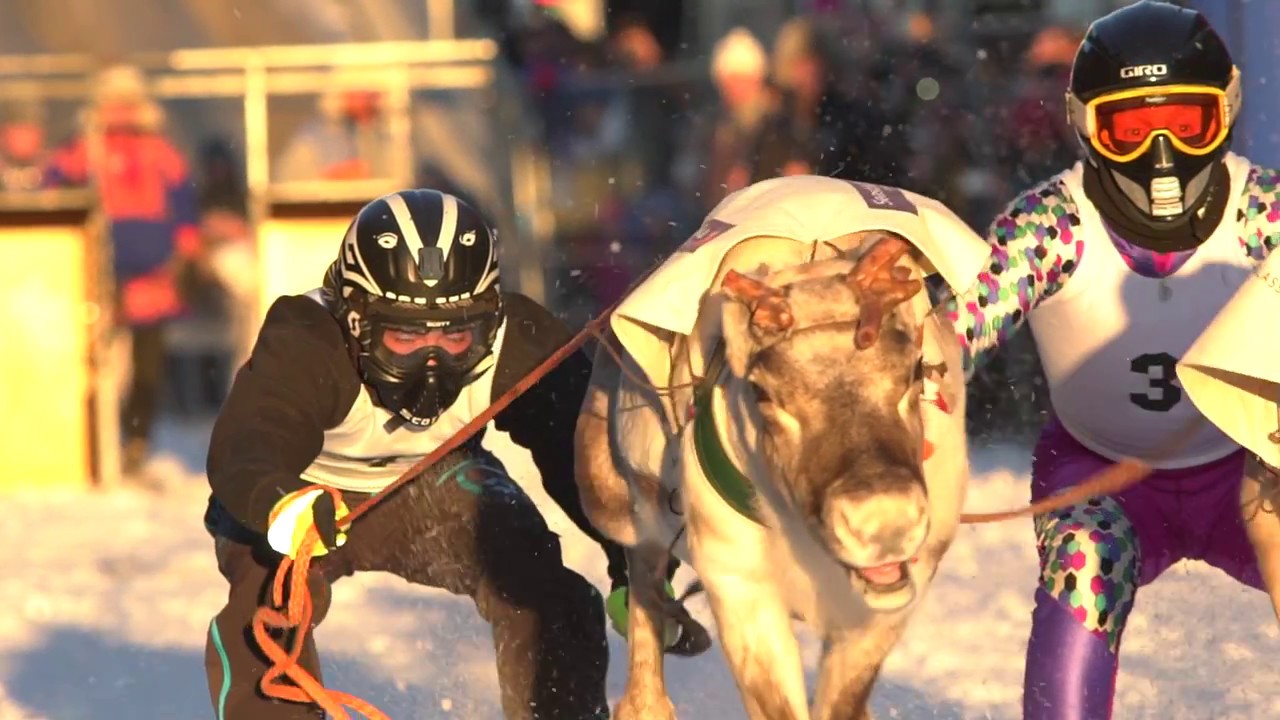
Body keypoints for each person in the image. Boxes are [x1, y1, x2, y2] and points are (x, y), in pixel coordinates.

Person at [922, 3, 1280, 718]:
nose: (1159, 152)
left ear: (1226, 113)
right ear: (1087, 126)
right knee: (1086, 563)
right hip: (1102, 474)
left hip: (1245, 466)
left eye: (1184, 123)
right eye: (1129, 128)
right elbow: (950, 335)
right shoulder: (1051, 224)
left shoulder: (1264, 211)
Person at [201, 189, 622, 719]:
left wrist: (627, 556)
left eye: (456, 337)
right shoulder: (307, 336)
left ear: (489, 319)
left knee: (543, 588)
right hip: (300, 494)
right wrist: (279, 503)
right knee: (263, 619)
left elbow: (582, 456)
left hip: (434, 479)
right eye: (404, 337)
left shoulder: (520, 340)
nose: (432, 361)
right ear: (355, 320)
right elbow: (249, 441)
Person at [47, 64, 201, 480]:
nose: (120, 113)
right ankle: (100, 443)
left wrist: (185, 250)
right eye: (112, 104)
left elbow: (185, 204)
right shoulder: (85, 149)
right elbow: (52, 186)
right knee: (101, 363)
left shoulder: (160, 151)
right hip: (99, 271)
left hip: (154, 274)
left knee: (148, 365)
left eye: (126, 104)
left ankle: (137, 441)